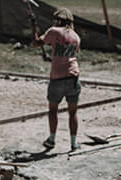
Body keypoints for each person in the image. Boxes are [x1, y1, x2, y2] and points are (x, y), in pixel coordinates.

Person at [32, 7, 81, 150]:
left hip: (57, 78)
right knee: (73, 112)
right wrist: (51, 58)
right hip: (73, 77)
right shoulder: (76, 37)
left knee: (53, 110)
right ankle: (74, 143)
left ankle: (52, 140)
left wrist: (33, 25)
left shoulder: (53, 31)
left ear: (58, 20)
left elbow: (36, 42)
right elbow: (67, 55)